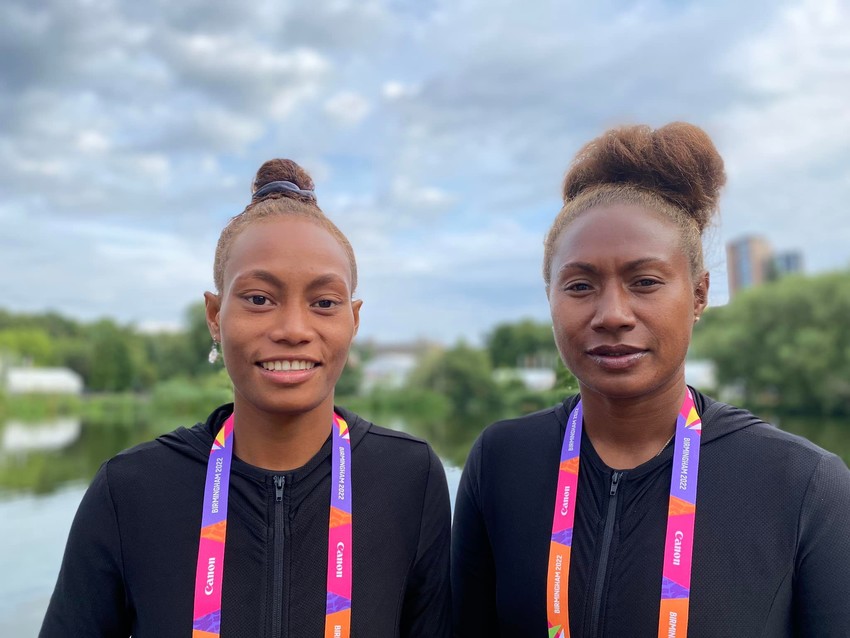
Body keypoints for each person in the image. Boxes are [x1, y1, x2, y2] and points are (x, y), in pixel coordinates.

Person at [451, 123, 850, 637]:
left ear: (700, 295)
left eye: (645, 282)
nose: (612, 314)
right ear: (549, 295)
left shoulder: (803, 484)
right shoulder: (502, 461)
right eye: (579, 285)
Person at [41, 159, 452, 638]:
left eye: (324, 302)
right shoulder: (130, 490)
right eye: (259, 298)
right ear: (215, 316)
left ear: (353, 321)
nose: (293, 330)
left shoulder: (409, 478)